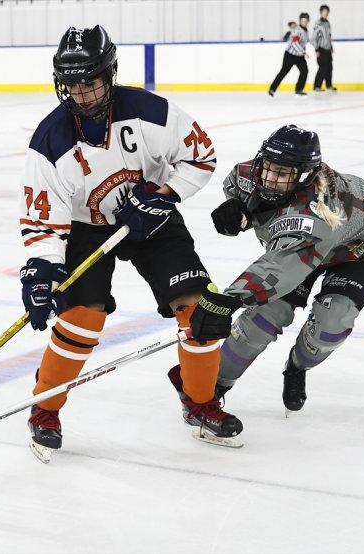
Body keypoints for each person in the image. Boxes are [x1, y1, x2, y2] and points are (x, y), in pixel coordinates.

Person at [19, 25, 242, 462]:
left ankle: (199, 401)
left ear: (110, 73)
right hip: (85, 228)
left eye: (90, 81)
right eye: (71, 83)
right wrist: (41, 270)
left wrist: (164, 195)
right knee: (81, 319)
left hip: (151, 216)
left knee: (198, 311)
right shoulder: (50, 140)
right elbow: (43, 219)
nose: (80, 93)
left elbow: (201, 157)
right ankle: (45, 409)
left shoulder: (151, 112)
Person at [189, 125, 364, 414]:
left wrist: (230, 299)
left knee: (332, 324)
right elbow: (236, 184)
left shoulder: (321, 209)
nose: (270, 179)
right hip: (302, 246)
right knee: (260, 321)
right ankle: (211, 389)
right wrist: (240, 209)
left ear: (305, 177)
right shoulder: (250, 173)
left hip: (357, 250)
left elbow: (283, 266)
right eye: (268, 168)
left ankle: (297, 366)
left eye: (282, 174)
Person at [269, 13, 311, 96]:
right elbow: (295, 43)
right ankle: (272, 89)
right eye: (303, 21)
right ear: (300, 21)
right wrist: (303, 52)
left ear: (308, 21)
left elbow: (304, 41)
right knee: (283, 72)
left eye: (306, 21)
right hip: (290, 55)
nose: (304, 22)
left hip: (299, 56)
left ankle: (299, 89)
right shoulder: (297, 30)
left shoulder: (306, 31)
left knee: (304, 71)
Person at [312, 5, 336, 92]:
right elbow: (314, 38)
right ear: (321, 12)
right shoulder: (318, 23)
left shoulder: (328, 23)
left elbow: (328, 36)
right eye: (324, 11)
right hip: (321, 49)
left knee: (329, 67)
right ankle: (316, 86)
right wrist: (316, 49)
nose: (326, 13)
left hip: (328, 49)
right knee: (322, 67)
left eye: (327, 12)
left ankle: (329, 85)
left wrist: (331, 46)